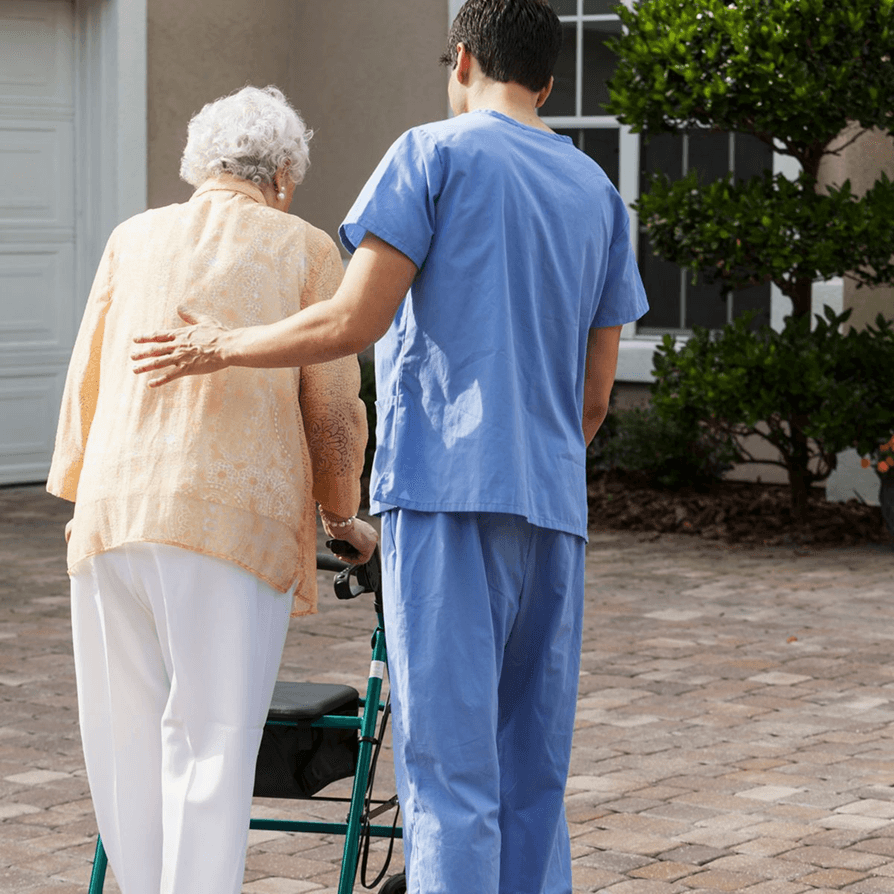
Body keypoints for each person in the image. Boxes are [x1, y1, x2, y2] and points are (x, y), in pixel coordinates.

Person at [131, 2, 649, 891]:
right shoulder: (597, 193)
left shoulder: (430, 155)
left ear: (460, 59)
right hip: (555, 509)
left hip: (449, 497)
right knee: (532, 772)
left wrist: (218, 345)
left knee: (448, 774)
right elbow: (596, 394)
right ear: (551, 80)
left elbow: (350, 319)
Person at [47, 85, 377, 894]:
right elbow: (332, 406)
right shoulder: (302, 248)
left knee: (123, 739)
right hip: (228, 525)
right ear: (286, 175)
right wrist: (342, 515)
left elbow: (84, 376)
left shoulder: (133, 236)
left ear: (200, 163)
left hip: (112, 518)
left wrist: (81, 488)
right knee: (211, 738)